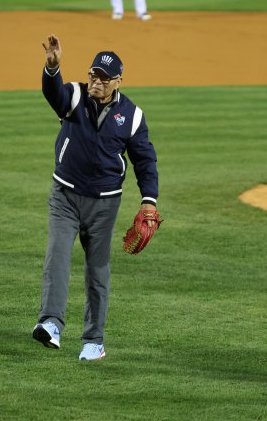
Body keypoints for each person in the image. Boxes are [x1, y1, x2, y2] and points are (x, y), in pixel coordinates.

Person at [32, 34, 159, 361]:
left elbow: (145, 160)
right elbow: (53, 93)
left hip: (104, 204)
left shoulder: (132, 115)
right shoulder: (74, 96)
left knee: (97, 270)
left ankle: (93, 341)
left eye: (103, 78)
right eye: (93, 75)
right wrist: (52, 67)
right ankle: (51, 323)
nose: (96, 82)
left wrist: (149, 200)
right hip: (65, 196)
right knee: (57, 255)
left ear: (118, 82)